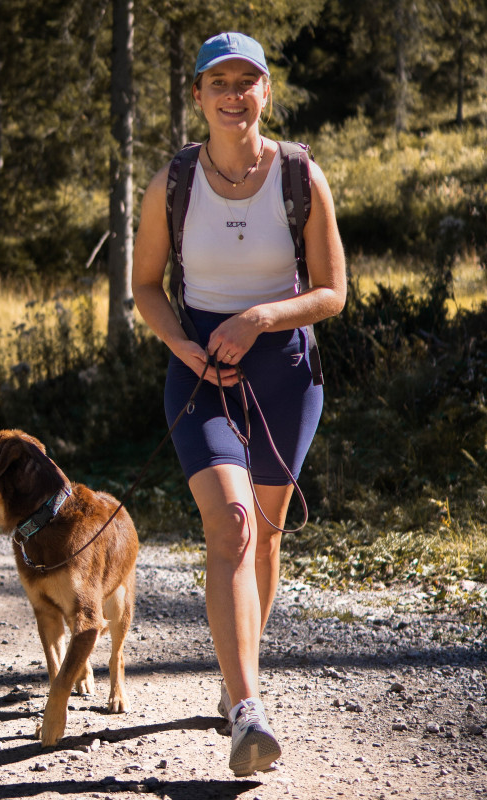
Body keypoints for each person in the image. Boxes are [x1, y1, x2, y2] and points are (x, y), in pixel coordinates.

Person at [132, 31, 347, 777]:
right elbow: (147, 286)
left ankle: (238, 674)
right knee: (227, 525)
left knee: (266, 529)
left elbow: (333, 292)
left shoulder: (298, 175)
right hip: (200, 371)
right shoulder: (172, 182)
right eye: (216, 81)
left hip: (285, 368)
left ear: (264, 93)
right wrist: (186, 348)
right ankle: (247, 708)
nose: (232, 94)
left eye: (245, 81)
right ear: (198, 96)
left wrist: (259, 317)